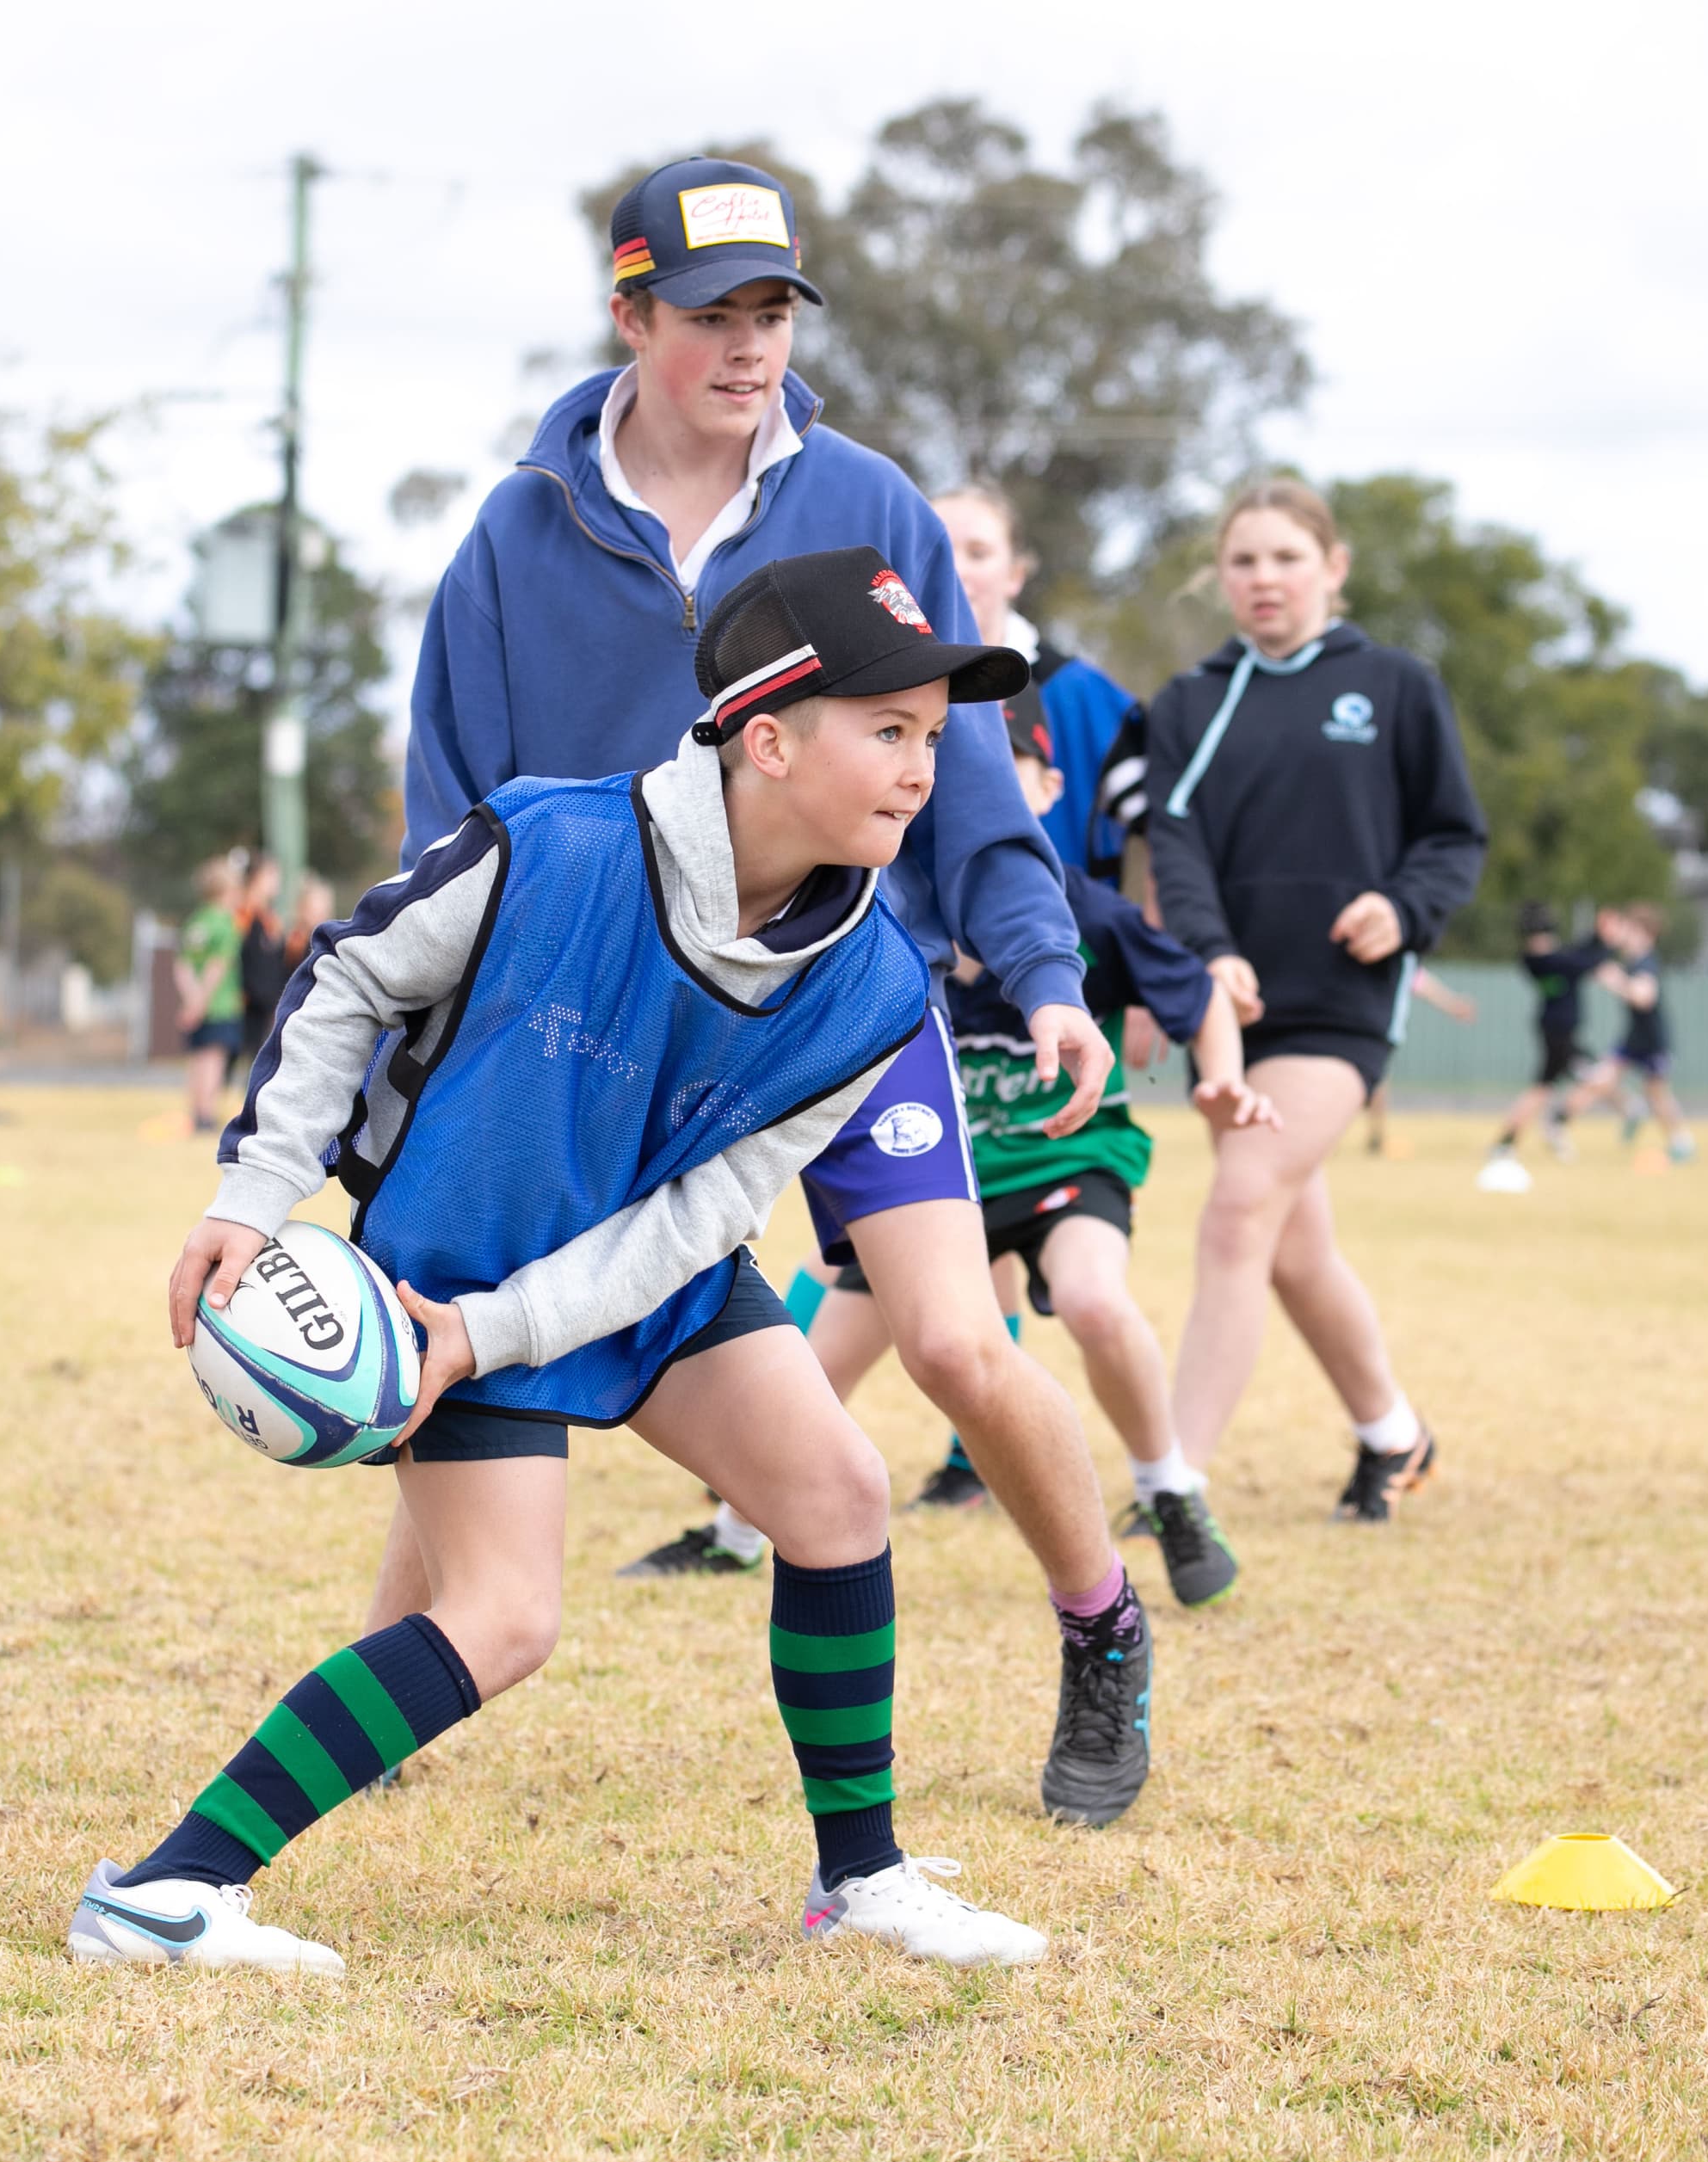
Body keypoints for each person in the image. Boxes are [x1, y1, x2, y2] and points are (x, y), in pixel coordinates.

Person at [85, 553, 1051, 1975]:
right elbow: (349, 974)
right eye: (890, 730)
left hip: (641, 1273)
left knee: (838, 1490)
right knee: (504, 1616)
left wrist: (510, 1332)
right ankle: (167, 1891)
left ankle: (861, 1879)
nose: (925, 767)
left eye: (933, 734)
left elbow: (699, 1221)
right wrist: (258, 1191)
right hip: (444, 1276)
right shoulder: (550, 844)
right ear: (770, 736)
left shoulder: (877, 990)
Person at [394, 156, 1154, 1828]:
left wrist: (1042, 966)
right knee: (483, 1327)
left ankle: (1103, 1622)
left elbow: (961, 769)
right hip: (619, 1028)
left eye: (773, 312)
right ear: (630, 314)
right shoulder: (520, 539)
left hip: (842, 1003)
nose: (750, 349)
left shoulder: (869, 501)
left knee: (957, 1338)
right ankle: (387, 1670)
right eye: (713, 314)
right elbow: (455, 805)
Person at [738, 711, 1276, 1614]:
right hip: (938, 1181)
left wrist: (1221, 1078)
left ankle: (1169, 1489)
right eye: (933, 754)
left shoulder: (1084, 910)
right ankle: (732, 1534)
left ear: (1047, 791)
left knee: (1095, 1300)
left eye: (996, 765)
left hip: (1070, 1156)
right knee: (817, 1366)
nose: (952, 779)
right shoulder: (881, 903)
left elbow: (1203, 995)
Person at [1144, 478, 1488, 1531]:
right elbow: (1176, 845)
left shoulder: (1395, 686)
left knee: (1241, 1206)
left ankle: (1175, 1480)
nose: (1264, 579)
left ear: (1332, 568)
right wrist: (1209, 954)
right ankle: (1393, 1433)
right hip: (1231, 1008)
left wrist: (1406, 905)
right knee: (1290, 1244)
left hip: (1340, 1008)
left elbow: (1452, 836)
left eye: (1287, 557)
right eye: (1244, 560)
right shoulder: (1190, 704)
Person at [929, 484, 1141, 882]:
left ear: (1015, 575)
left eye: (978, 553)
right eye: (940, 549)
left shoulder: (1082, 694)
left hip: (1061, 932)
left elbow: (1168, 829)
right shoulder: (875, 682)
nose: (956, 569)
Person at [1480, 903, 1610, 1185]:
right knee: (1549, 1086)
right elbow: (1582, 961)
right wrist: (1605, 945)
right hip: (1559, 1032)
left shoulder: (1535, 959)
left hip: (1558, 1031)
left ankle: (1544, 1129)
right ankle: (1527, 1134)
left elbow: (1576, 954)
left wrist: (1597, 937)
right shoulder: (1550, 961)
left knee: (1583, 1079)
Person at [1563, 904, 1693, 1161]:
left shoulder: (1647, 962)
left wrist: (1616, 981)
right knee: (1600, 1080)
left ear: (1645, 933)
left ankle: (1681, 1143)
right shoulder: (1631, 961)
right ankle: (1560, 1125)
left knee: (1656, 1095)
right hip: (1632, 1039)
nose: (1624, 934)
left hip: (1653, 1041)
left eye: (1629, 929)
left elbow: (1645, 997)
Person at [1360, 966, 1477, 1159]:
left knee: (1377, 1082)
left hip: (1379, 1031)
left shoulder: (1401, 961)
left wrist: (1453, 1005)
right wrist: (1453, 1005)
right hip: (1369, 1028)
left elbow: (1420, 981)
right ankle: (1373, 1136)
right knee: (1370, 1082)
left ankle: (1375, 1136)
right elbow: (1420, 982)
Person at [175, 853, 247, 1135]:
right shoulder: (225, 924)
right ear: (228, 892)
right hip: (220, 1005)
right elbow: (217, 968)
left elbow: (183, 966)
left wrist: (191, 1001)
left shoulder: (196, 922)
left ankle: (196, 1111)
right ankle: (206, 1116)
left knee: (196, 1058)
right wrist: (203, 1001)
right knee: (213, 1060)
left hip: (193, 1004)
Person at [232, 851, 291, 1068]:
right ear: (258, 877)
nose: (277, 882)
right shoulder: (243, 912)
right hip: (245, 1000)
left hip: (264, 1000)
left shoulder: (268, 917)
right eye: (272, 875)